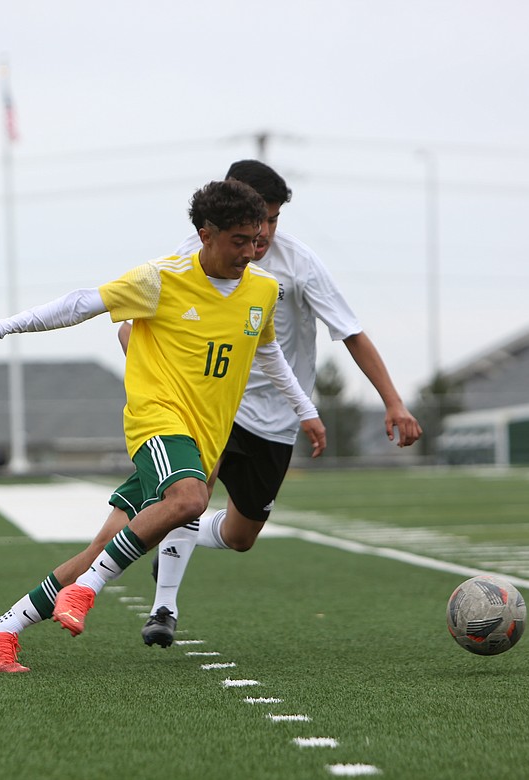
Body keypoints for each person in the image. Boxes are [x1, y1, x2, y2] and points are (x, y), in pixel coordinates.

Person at [0, 179, 327, 672]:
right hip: (156, 422)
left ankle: (2, 629)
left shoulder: (263, 290)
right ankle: (87, 592)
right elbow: (79, 304)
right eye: (239, 240)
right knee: (191, 501)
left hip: (203, 439)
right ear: (206, 234)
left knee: (101, 547)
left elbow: (267, 353)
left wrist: (305, 410)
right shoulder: (161, 279)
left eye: (257, 238)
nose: (251, 250)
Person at [125, 160, 422, 648]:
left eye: (273, 220)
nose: (262, 232)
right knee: (191, 495)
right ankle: (164, 607)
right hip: (215, 404)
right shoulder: (189, 258)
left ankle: (179, 541)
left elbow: (351, 333)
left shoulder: (299, 264)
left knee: (242, 537)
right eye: (256, 219)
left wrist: (393, 402)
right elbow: (133, 324)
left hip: (280, 417)